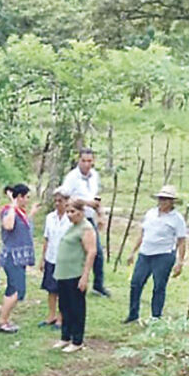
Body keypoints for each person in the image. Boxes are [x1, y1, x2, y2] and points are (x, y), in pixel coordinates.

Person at [125, 185, 187, 323]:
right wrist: (132, 252)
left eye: (166, 199)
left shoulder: (177, 219)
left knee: (159, 285)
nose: (162, 202)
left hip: (163, 254)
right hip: (145, 253)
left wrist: (180, 261)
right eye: (161, 199)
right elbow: (143, 233)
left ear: (172, 202)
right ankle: (133, 314)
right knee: (136, 283)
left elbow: (182, 240)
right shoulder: (151, 213)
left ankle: (155, 316)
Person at [62, 148, 109, 297]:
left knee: (97, 253)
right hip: (74, 218)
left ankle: (98, 285)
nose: (87, 164)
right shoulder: (72, 177)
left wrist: (99, 213)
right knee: (76, 252)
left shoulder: (94, 176)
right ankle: (72, 280)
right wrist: (86, 202)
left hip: (89, 218)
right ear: (79, 160)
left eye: (89, 161)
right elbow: (66, 197)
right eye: (84, 161)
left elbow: (96, 198)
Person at [53, 197, 97, 353]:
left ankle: (77, 340)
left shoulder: (86, 228)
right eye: (68, 212)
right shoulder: (72, 226)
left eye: (73, 211)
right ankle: (65, 337)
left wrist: (85, 276)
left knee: (76, 307)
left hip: (75, 273)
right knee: (64, 306)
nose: (70, 215)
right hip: (63, 274)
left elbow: (91, 252)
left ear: (81, 212)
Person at [0, 183, 39, 333]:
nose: (27, 200)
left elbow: (24, 228)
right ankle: (2, 321)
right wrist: (13, 205)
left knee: (13, 288)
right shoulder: (8, 211)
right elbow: (8, 226)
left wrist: (31, 214)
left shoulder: (20, 212)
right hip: (12, 258)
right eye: (26, 197)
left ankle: (5, 318)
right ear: (19, 197)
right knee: (17, 291)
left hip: (19, 258)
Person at [39, 186, 70, 329]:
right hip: (51, 257)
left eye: (60, 201)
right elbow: (47, 238)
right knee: (51, 289)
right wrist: (42, 258)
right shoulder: (49, 218)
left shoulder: (70, 219)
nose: (57, 204)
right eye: (55, 201)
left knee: (63, 290)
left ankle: (61, 317)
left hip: (65, 260)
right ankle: (51, 315)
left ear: (66, 202)